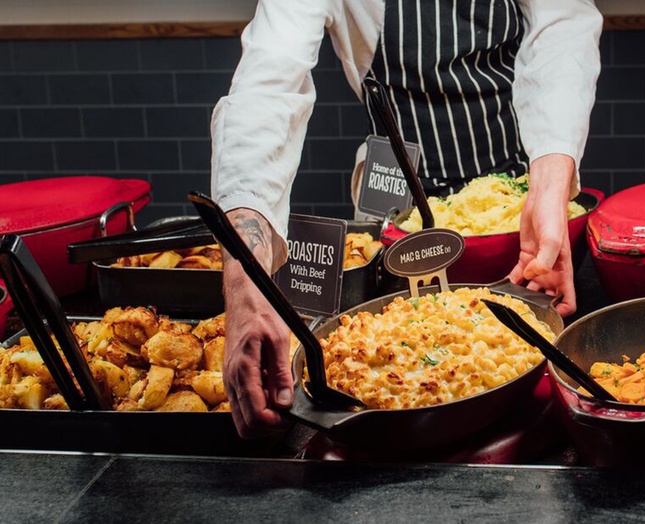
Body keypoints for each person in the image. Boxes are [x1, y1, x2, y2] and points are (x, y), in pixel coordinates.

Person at [211, 0, 602, 437]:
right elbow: (267, 85)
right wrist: (246, 281)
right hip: (396, 201)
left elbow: (562, 29)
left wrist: (547, 191)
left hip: (515, 197)